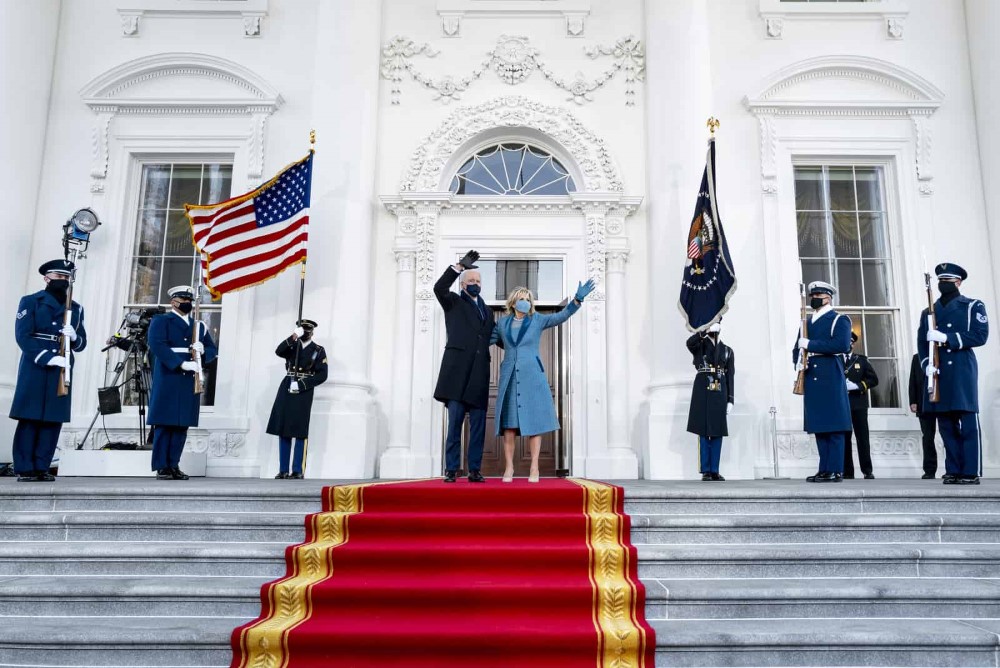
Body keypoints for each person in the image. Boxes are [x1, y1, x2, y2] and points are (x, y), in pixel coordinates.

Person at [492, 279, 595, 482]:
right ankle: (509, 469)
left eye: (528, 299)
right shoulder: (503, 323)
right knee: (509, 426)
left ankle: (534, 468)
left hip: (532, 378)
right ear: (513, 303)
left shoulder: (538, 320)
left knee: (535, 424)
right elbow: (493, 339)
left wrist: (577, 300)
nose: (525, 302)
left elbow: (562, 316)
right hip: (510, 377)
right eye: (521, 299)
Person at [9, 260, 87, 482]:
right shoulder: (31, 301)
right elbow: (23, 335)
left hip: (62, 367)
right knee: (30, 417)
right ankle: (25, 468)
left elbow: (82, 344)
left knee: (52, 419)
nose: (62, 281)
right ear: (46, 278)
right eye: (58, 277)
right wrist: (48, 357)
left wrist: (74, 337)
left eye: (65, 278)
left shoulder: (76, 308)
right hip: (36, 365)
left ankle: (42, 466)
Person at [918, 263, 988, 485]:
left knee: (967, 422)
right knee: (946, 425)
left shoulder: (972, 306)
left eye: (947, 281)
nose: (943, 285)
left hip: (961, 370)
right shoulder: (929, 312)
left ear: (958, 282)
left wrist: (948, 338)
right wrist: (927, 364)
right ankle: (954, 468)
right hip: (939, 373)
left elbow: (979, 335)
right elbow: (922, 344)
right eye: (941, 281)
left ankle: (970, 470)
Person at [433, 250, 495, 483]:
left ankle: (475, 470)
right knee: (455, 425)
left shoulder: (488, 311)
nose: (475, 284)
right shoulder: (453, 302)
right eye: (471, 281)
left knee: (478, 426)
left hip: (479, 375)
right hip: (457, 374)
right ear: (463, 284)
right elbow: (439, 288)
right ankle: (451, 469)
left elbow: (496, 336)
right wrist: (458, 266)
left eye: (478, 281)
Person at [146, 286, 218, 480]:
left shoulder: (199, 326)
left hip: (190, 376)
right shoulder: (161, 321)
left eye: (189, 300)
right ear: (173, 302)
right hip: (169, 375)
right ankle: (162, 466)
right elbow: (157, 344)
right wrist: (180, 363)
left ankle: (174, 464)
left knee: (181, 424)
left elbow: (212, 349)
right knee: (164, 422)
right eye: (182, 299)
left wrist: (203, 351)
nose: (186, 303)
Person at [793, 281, 852, 483]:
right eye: (812, 295)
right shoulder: (807, 322)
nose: (814, 298)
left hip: (830, 374)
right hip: (811, 375)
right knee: (820, 425)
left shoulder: (839, 319)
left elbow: (842, 344)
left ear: (828, 297)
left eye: (818, 295)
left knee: (834, 425)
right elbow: (797, 348)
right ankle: (824, 468)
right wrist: (798, 362)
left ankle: (835, 469)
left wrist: (810, 344)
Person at [266, 319, 328, 479]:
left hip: (303, 390)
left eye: (308, 330)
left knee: (300, 430)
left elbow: (322, 375)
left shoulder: (318, 350)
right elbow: (278, 351)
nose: (306, 333)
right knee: (284, 428)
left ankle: (297, 470)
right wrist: (293, 336)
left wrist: (302, 385)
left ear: (312, 332)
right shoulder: (292, 346)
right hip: (287, 386)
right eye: (303, 330)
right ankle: (283, 470)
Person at [685, 322, 735, 481]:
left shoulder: (727, 351)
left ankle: (715, 469)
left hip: (719, 390)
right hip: (702, 390)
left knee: (717, 431)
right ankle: (706, 470)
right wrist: (704, 331)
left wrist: (730, 399)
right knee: (703, 430)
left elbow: (730, 376)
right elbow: (689, 343)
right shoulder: (700, 346)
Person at [844, 331, 879, 479]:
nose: (847, 344)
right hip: (842, 405)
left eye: (849, 342)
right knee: (844, 439)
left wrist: (858, 386)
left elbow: (874, 380)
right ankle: (847, 472)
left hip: (859, 404)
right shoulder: (836, 360)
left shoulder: (862, 360)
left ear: (852, 343)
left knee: (862, 438)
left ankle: (867, 470)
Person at [908, 353, 938, 479]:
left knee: (949, 436)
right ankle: (930, 470)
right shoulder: (917, 357)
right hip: (924, 402)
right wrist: (913, 401)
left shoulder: (942, 354)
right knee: (928, 437)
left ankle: (952, 469)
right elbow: (913, 379)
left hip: (944, 401)